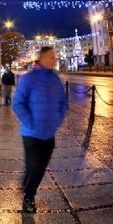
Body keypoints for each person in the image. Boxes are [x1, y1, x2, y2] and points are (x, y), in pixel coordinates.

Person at [12, 46, 68, 213]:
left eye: (55, 56)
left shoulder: (55, 79)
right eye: (51, 57)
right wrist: (31, 122)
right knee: (34, 168)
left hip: (49, 134)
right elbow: (17, 103)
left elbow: (63, 103)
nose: (55, 59)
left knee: (40, 168)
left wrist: (57, 120)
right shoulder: (29, 79)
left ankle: (26, 184)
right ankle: (29, 198)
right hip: (31, 134)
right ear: (42, 58)